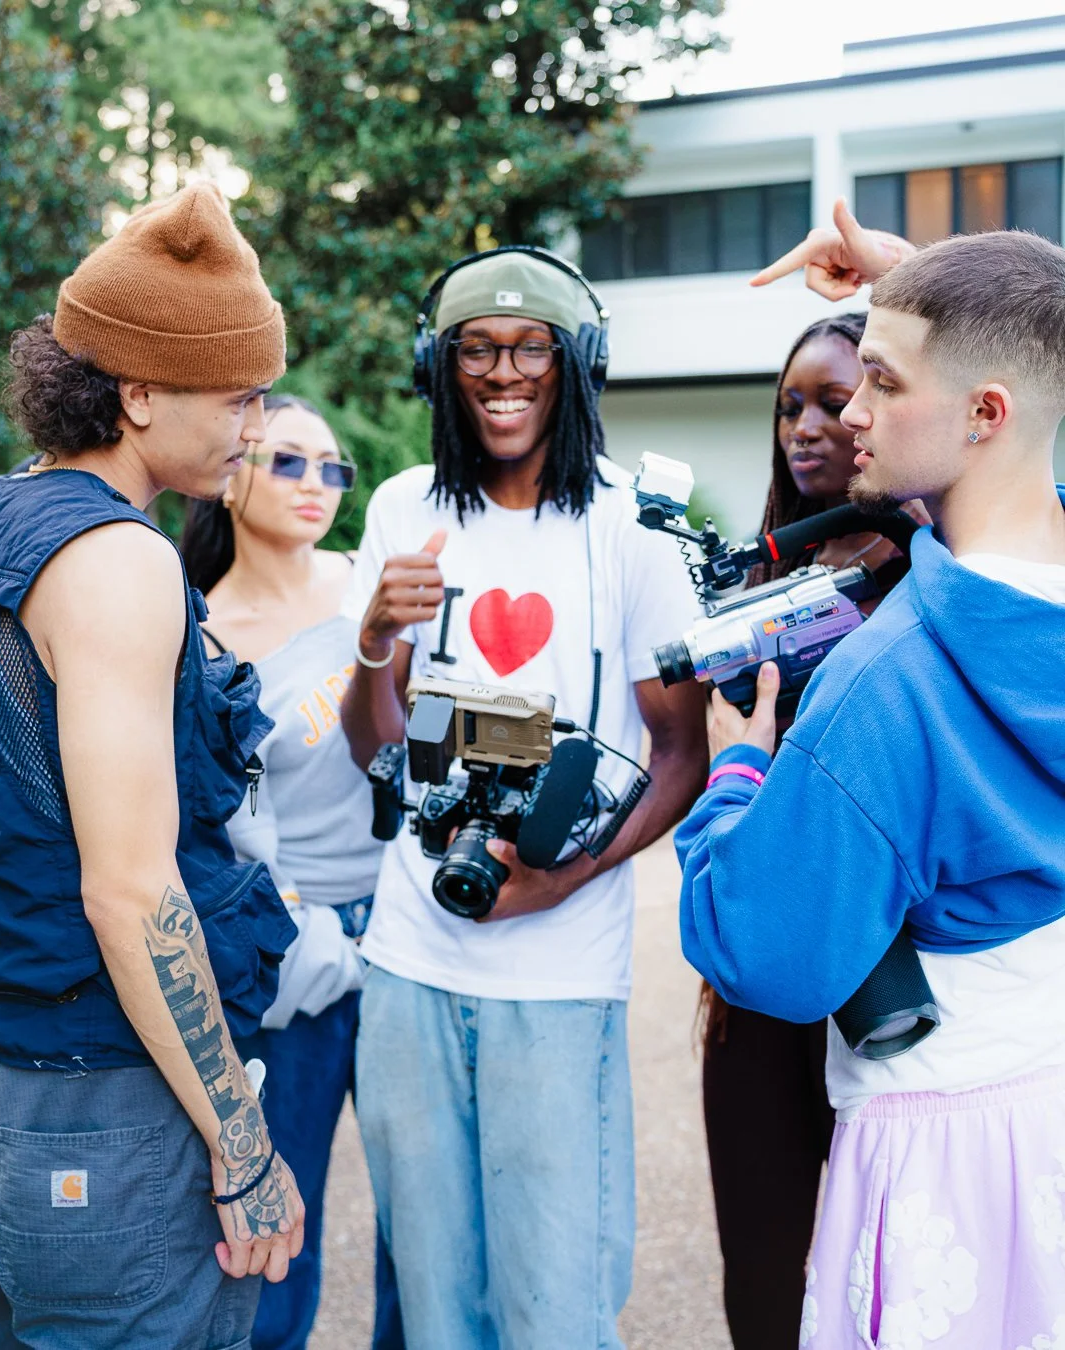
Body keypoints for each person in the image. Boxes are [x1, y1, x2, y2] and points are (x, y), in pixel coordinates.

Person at [678, 209, 1065, 1347]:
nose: (849, 410)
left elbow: (768, 954)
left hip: (941, 1152)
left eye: (882, 381)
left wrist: (740, 772)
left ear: (984, 413)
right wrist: (943, 295)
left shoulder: (879, 687)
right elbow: (1034, 381)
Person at [339, 247, 709, 1349]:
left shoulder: (633, 529)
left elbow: (679, 754)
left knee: (556, 1307)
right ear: (440, 368)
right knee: (440, 1308)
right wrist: (373, 646)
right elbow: (377, 749)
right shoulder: (405, 507)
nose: (504, 371)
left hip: (558, 976)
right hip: (408, 957)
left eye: (532, 346)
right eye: (477, 350)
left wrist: (565, 876)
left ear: (579, 362)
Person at [0, 183, 305, 1349]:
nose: (257, 429)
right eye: (239, 396)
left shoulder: (2, 522)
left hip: (16, 1081)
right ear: (135, 395)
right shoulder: (118, 563)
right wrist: (242, 1145)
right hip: (107, 1109)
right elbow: (129, 887)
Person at [700, 309, 928, 1350]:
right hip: (765, 984)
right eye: (790, 404)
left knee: (902, 1255)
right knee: (762, 1256)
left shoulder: (943, 580)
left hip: (905, 973)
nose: (807, 425)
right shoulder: (753, 584)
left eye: (835, 401)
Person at [181, 394, 404, 1350]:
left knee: (421, 1224)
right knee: (281, 1221)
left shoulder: (373, 590)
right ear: (233, 474)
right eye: (290, 462)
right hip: (292, 953)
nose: (319, 484)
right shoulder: (198, 629)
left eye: (333, 468)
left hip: (406, 930)